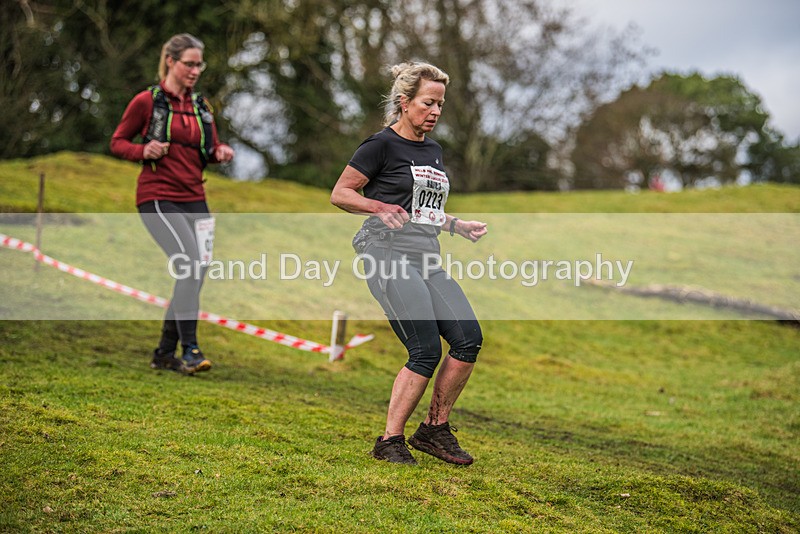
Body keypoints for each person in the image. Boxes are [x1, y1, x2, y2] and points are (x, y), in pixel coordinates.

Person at [330, 61, 488, 465]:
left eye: (440, 105)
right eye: (428, 103)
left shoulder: (432, 150)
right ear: (404, 102)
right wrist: (378, 205)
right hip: (386, 253)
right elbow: (341, 193)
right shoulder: (379, 145)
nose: (435, 112)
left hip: (426, 256)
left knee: (468, 338)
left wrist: (456, 225)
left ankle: (434, 430)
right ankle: (389, 441)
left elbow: (423, 209)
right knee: (425, 349)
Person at [111, 33, 234, 374]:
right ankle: (190, 349)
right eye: (189, 64)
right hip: (158, 196)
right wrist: (142, 150)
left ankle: (164, 352)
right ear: (170, 61)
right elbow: (118, 142)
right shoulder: (146, 101)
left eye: (199, 65)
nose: (195, 71)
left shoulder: (201, 107)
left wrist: (220, 153)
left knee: (196, 271)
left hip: (195, 197)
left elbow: (210, 150)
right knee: (190, 264)